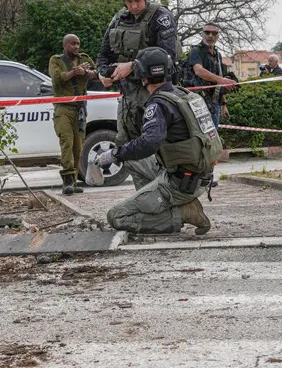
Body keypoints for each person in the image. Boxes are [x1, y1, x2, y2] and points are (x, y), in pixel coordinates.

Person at [94, 47, 222, 235]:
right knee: (130, 157)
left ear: (141, 76)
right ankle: (150, 200)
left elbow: (149, 143)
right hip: (197, 174)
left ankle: (182, 213)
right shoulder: (183, 94)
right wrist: (122, 154)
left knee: (117, 216)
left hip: (179, 183)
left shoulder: (159, 104)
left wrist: (114, 154)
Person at [96, 0, 178, 191]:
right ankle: (145, 197)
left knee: (156, 146)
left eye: (137, 1)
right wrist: (105, 74)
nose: (133, 6)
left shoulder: (160, 17)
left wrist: (132, 67)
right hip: (127, 97)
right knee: (128, 148)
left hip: (156, 94)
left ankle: (166, 197)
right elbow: (103, 55)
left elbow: (168, 58)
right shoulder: (118, 19)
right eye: (129, 2)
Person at [48, 34, 98, 195]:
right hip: (64, 108)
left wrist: (85, 72)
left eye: (78, 44)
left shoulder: (85, 59)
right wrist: (72, 73)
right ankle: (67, 181)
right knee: (67, 142)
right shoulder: (56, 60)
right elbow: (57, 79)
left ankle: (74, 180)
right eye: (72, 44)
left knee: (79, 146)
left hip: (80, 109)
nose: (76, 47)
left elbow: (97, 74)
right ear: (65, 45)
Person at [188, 22, 238, 128]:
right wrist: (222, 80)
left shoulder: (218, 55)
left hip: (215, 103)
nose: (210, 35)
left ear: (218, 36)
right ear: (202, 34)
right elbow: (198, 71)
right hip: (199, 103)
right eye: (207, 32)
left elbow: (219, 81)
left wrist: (223, 104)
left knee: (213, 136)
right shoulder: (196, 50)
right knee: (204, 137)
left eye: (214, 33)